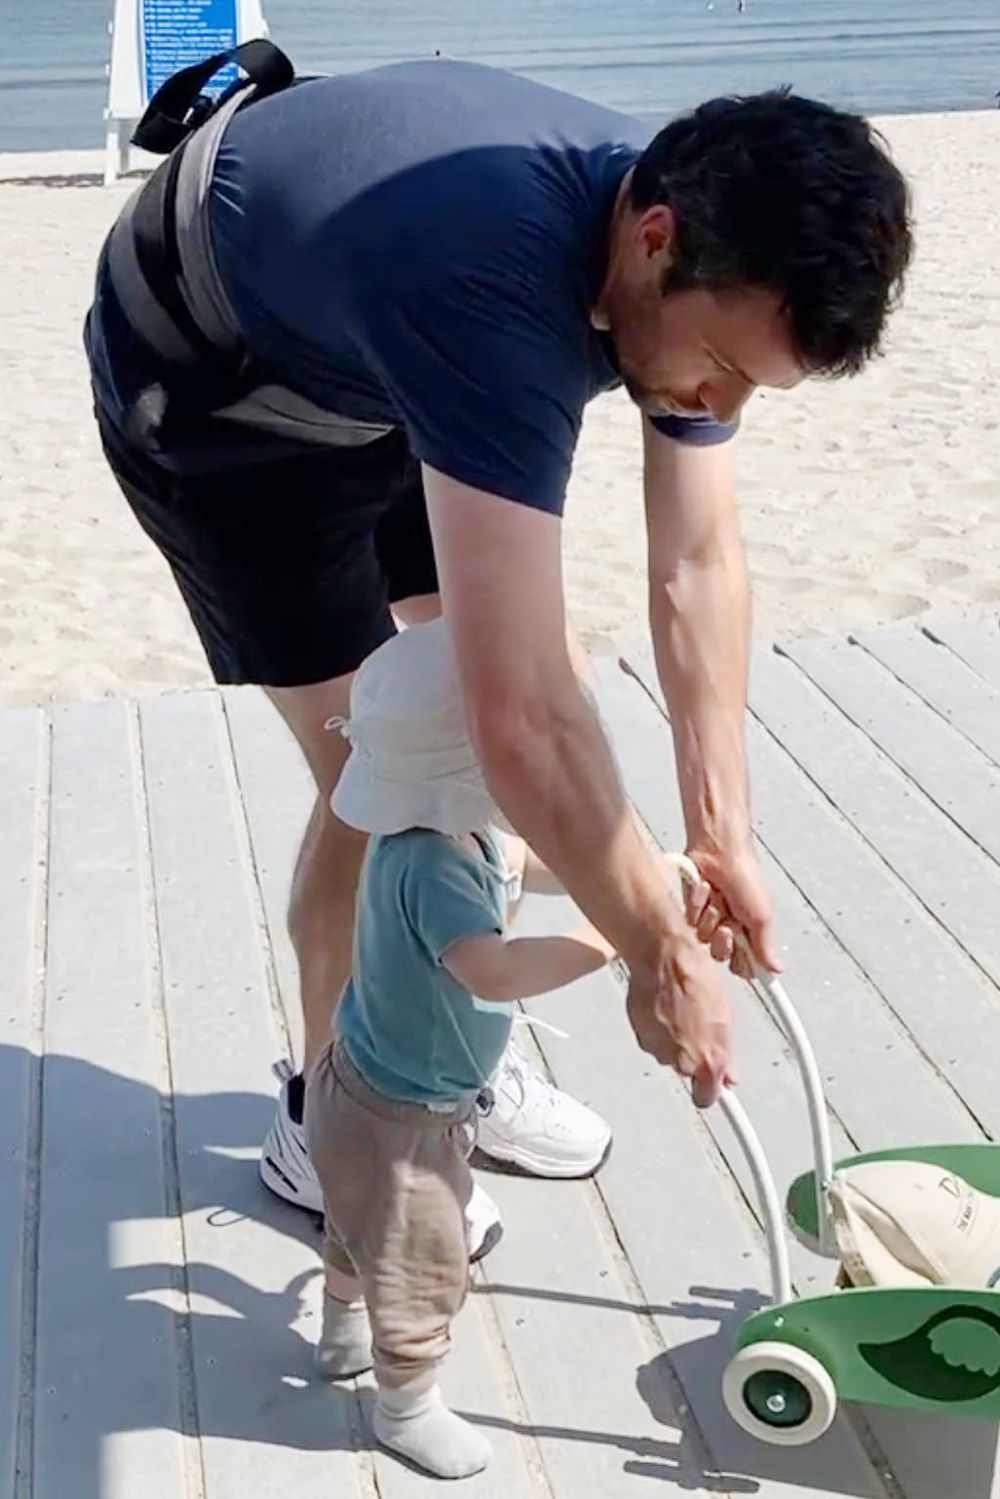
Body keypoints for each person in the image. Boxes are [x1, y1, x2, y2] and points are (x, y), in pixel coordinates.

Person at [83, 56, 912, 1255]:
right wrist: (651, 947)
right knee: (384, 776)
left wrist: (721, 828)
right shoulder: (491, 285)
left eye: (750, 387)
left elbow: (695, 564)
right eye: (720, 368)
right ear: (652, 237)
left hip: (378, 356)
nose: (712, 400)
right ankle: (335, 1114)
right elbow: (516, 717)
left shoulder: (698, 253)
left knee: (514, 725)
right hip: (216, 395)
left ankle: (437, 1047)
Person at [306, 617, 615, 1478]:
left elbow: (529, 864)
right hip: (403, 1115)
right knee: (416, 1263)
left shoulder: (448, 827)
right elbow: (492, 970)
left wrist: (629, 871)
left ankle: (339, 1335)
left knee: (355, 1229)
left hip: (359, 1078)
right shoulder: (435, 866)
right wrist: (608, 935)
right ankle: (405, 1405)